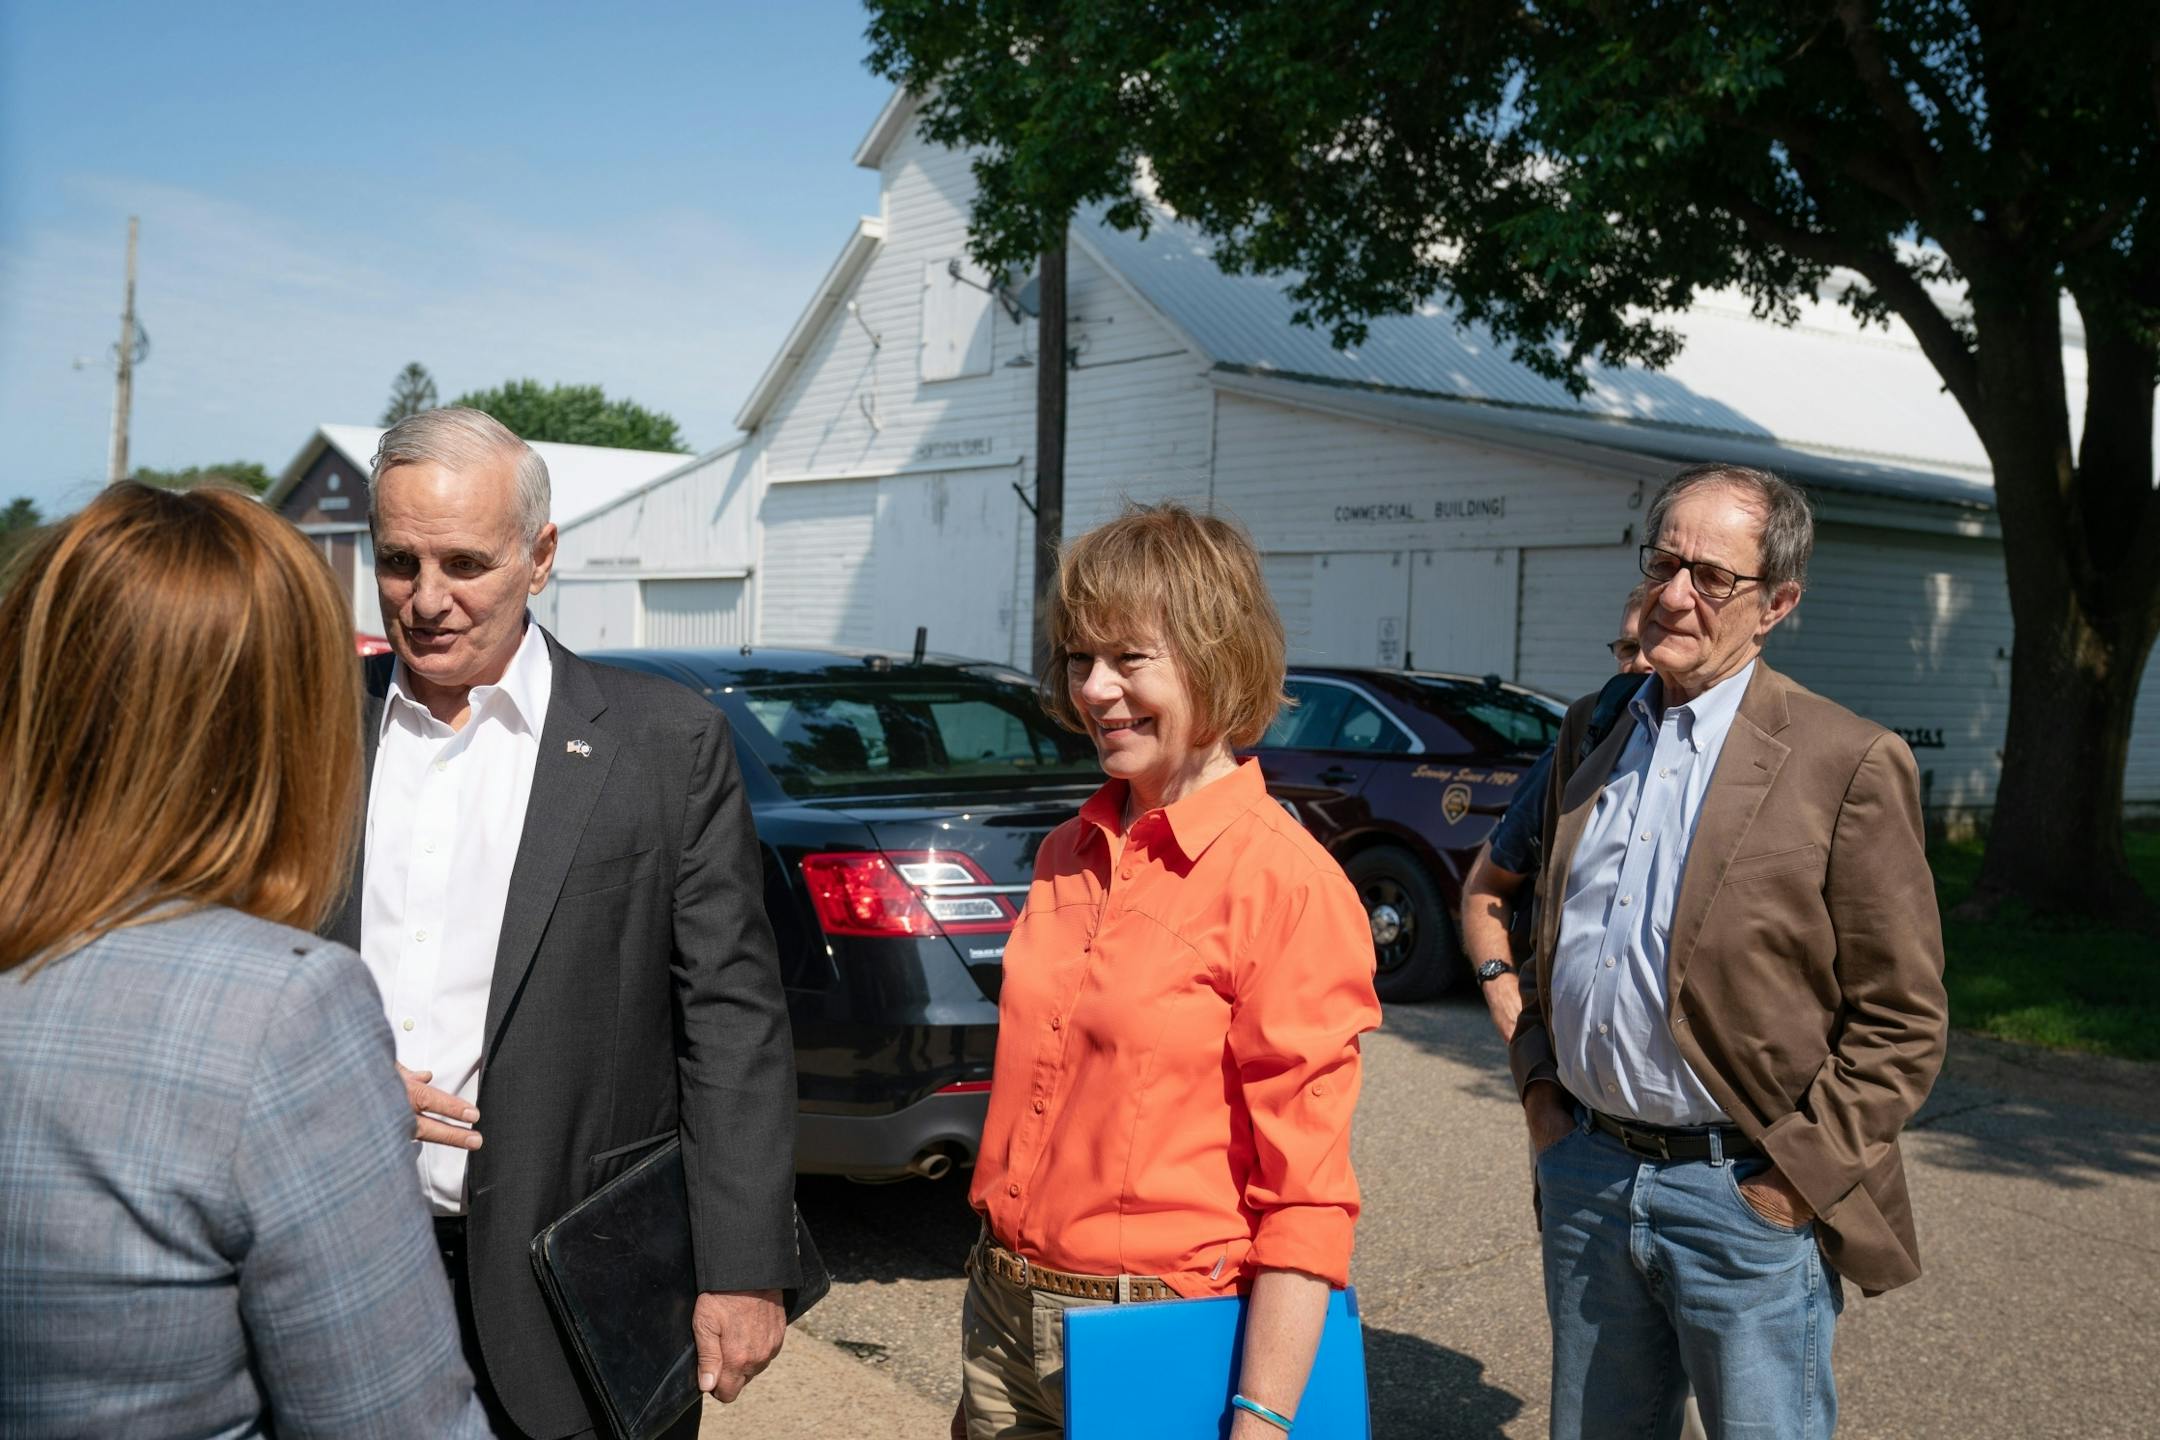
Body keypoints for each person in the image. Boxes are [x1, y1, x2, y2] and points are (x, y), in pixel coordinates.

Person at [327, 408, 798, 1440]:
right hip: (334, 1279)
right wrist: (328, 1077)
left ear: (540, 558)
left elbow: (730, 1018)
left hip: (575, 1295)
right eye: (399, 562)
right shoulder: (310, 723)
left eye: (465, 563)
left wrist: (743, 1264)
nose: (428, 599)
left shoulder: (665, 743)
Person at [0, 483, 491, 1437]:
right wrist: (304, 1115)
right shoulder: (283, 1013)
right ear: (285, 727)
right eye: (400, 562)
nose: (428, 597)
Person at [1512, 464, 1949, 1440]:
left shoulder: (1845, 762)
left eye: (1711, 576)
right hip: (1587, 1173)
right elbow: (1550, 928)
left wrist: (1790, 1186)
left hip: (1742, 1197)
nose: (1672, 595)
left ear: (1776, 605)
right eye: (1662, 562)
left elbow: (1902, 1022)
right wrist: (1542, 1091)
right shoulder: (1593, 727)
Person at [955, 502, 1382, 1440]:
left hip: (1156, 1336)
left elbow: (1307, 1195)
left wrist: (1263, 1418)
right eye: (1080, 658)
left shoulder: (1285, 884)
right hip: (1002, 1311)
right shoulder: (1067, 849)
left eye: (1129, 658)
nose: (1095, 690)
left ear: (1215, 656)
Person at [1462, 581, 1656, 1043]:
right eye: (1628, 647)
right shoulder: (1573, 758)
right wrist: (1499, 983)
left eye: (1652, 645)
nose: (1640, 662)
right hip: (1566, 1065)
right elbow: (1485, 886)